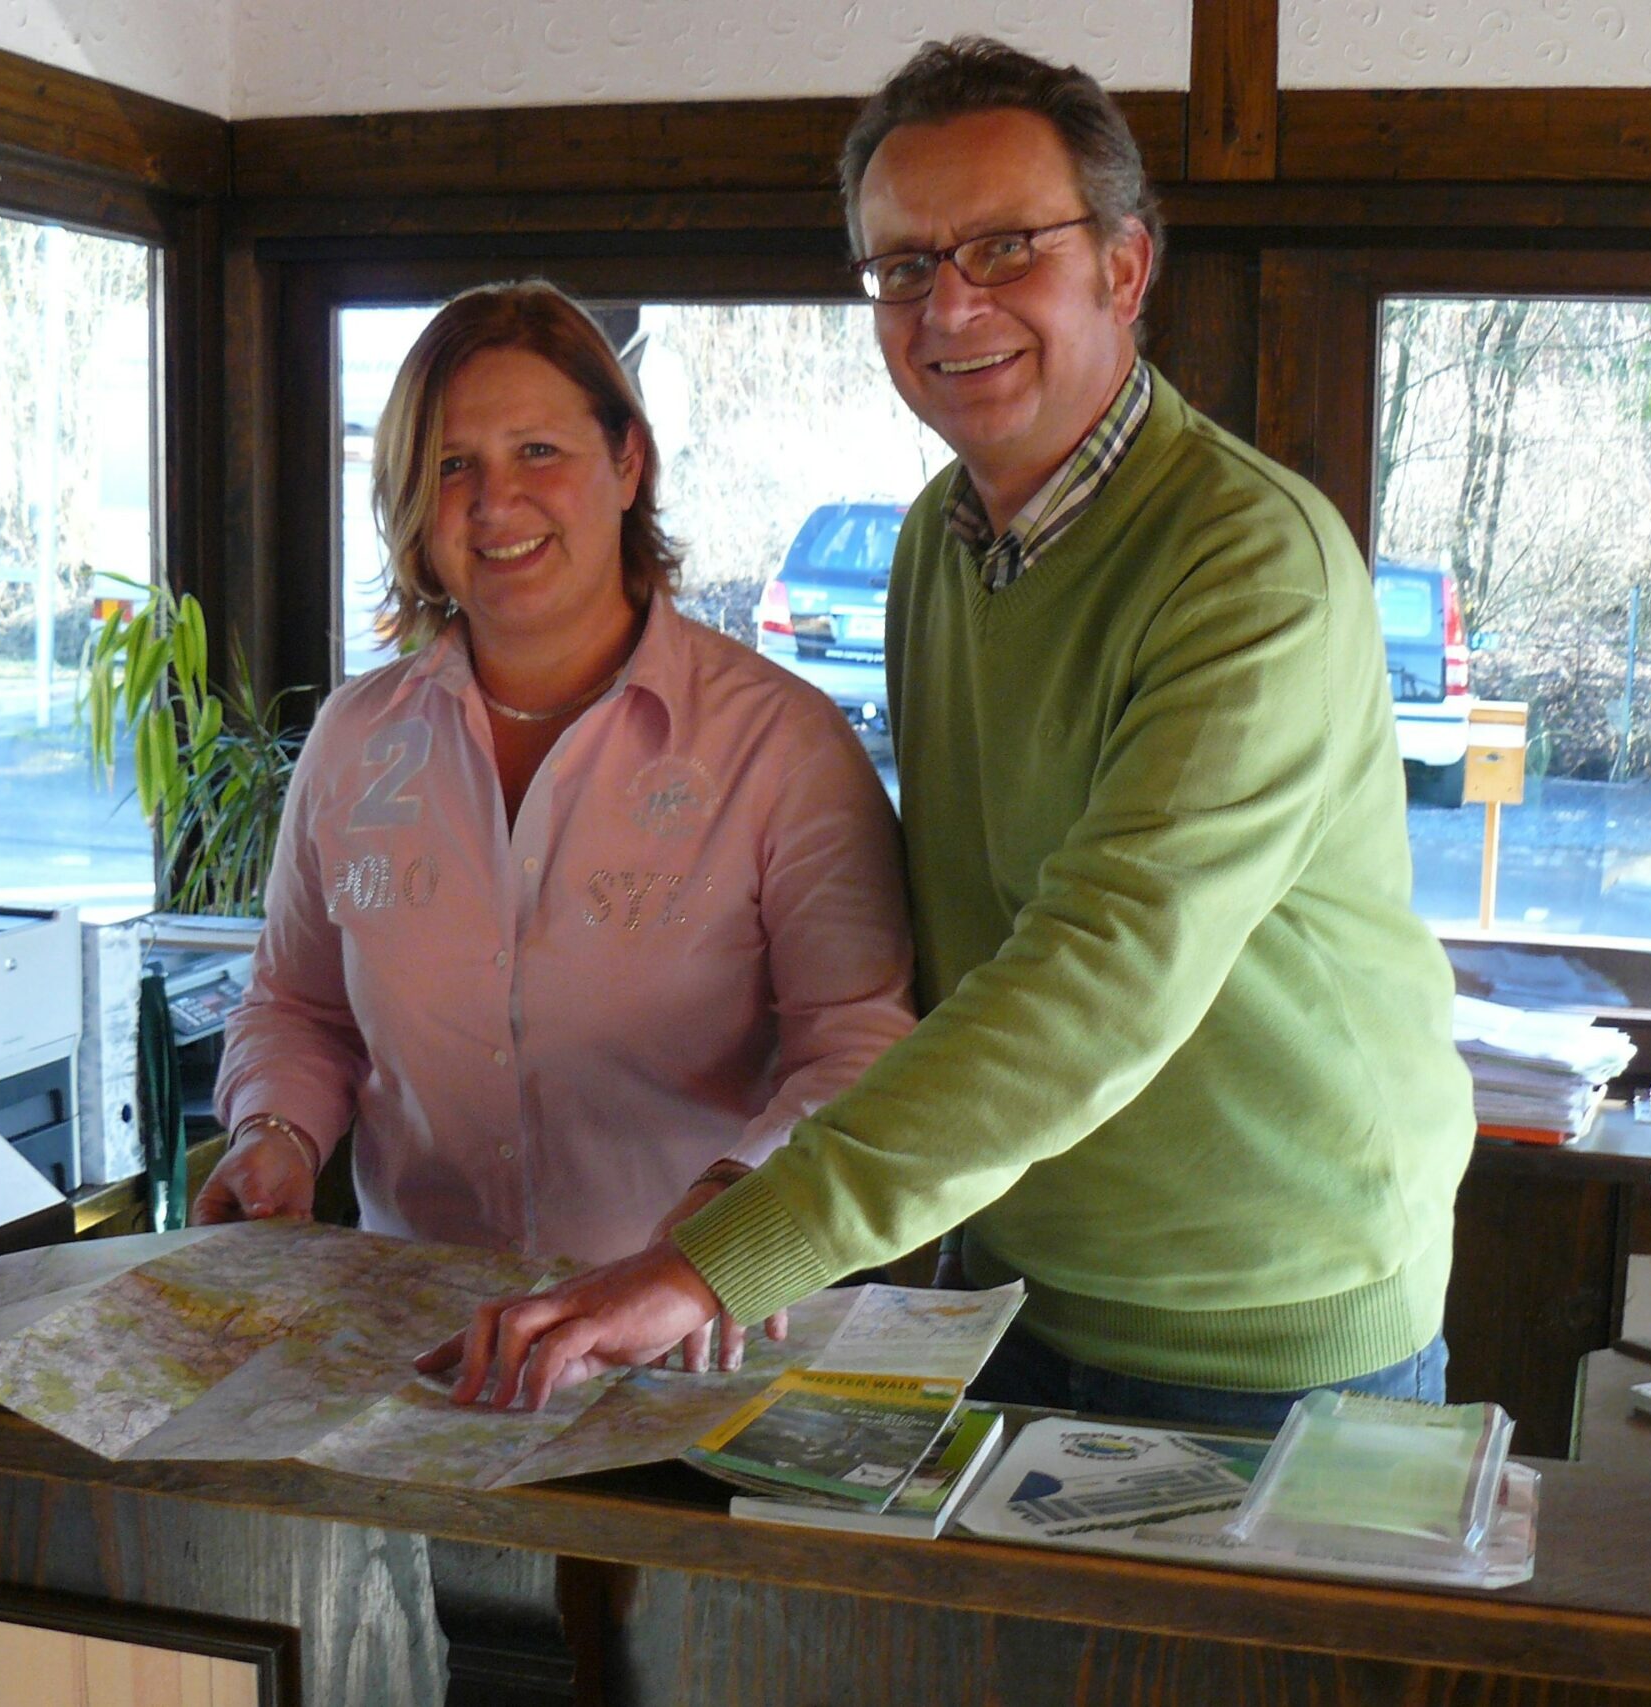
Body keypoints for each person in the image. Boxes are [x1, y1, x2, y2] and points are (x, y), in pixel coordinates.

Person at [431, 39, 1473, 1427]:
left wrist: (717, 1255)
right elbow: (950, 924)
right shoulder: (940, 539)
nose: (949, 305)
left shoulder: (1249, 563)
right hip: (1010, 1285)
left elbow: (1099, 975)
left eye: (1003, 248)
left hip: (1271, 1323)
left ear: (1124, 269)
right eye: (904, 266)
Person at [204, 281, 916, 1368]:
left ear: (628, 462)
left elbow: (857, 1048)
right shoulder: (354, 741)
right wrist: (275, 1133)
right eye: (452, 465)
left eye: (538, 451)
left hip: (690, 1350)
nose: (496, 502)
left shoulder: (781, 745)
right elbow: (298, 1007)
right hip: (421, 1349)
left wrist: (735, 1209)